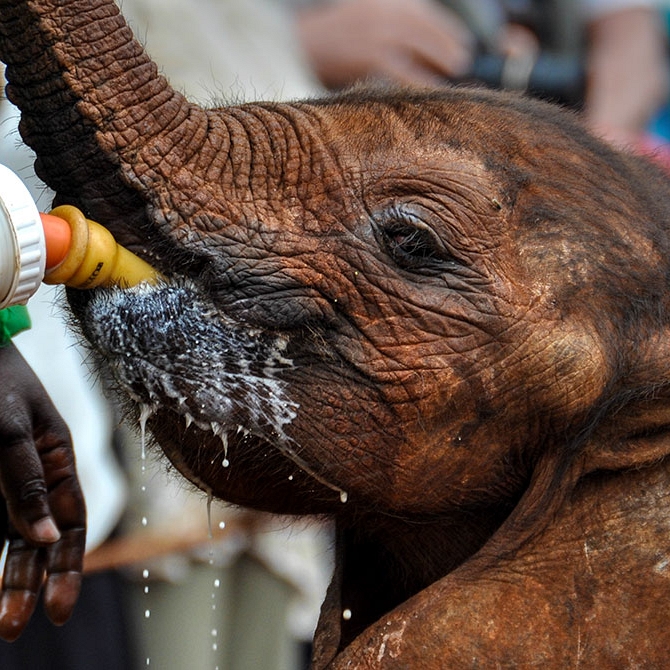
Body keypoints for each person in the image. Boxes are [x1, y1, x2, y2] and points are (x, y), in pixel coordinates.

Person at [291, 0, 669, 149]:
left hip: (527, 135)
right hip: (326, 119)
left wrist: (597, 146)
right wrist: (297, 42)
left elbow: (631, 38)